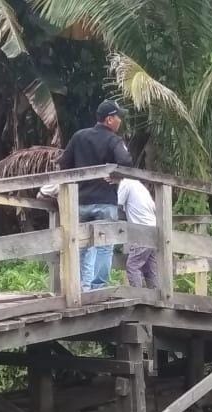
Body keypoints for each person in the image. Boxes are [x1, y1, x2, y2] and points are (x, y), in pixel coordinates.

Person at [58, 100, 133, 291]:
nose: (120, 121)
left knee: (81, 244)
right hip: (104, 201)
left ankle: (81, 287)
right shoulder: (113, 140)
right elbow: (126, 161)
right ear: (109, 119)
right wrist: (116, 176)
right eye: (118, 117)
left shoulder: (79, 136)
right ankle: (98, 288)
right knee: (104, 245)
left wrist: (77, 180)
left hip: (80, 201)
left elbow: (64, 163)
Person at [118, 177, 158, 288]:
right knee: (150, 269)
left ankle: (138, 297)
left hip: (141, 232)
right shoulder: (139, 186)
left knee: (132, 266)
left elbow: (118, 206)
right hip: (154, 229)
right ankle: (156, 299)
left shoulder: (125, 183)